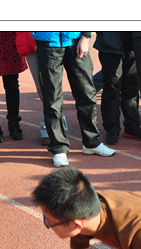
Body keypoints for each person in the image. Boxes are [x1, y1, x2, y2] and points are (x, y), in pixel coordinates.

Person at [33, 32, 115, 168]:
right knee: (52, 98)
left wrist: (86, 36)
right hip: (48, 43)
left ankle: (91, 142)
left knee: (87, 93)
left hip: (76, 41)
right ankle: (58, 148)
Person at [93, 32, 141, 146]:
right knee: (112, 88)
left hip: (133, 44)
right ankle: (112, 128)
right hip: (110, 44)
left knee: (132, 87)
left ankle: (132, 126)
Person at [15, 32, 68, 146]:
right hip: (31, 41)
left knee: (56, 85)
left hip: (60, 38)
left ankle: (54, 124)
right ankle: (51, 124)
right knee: (43, 87)